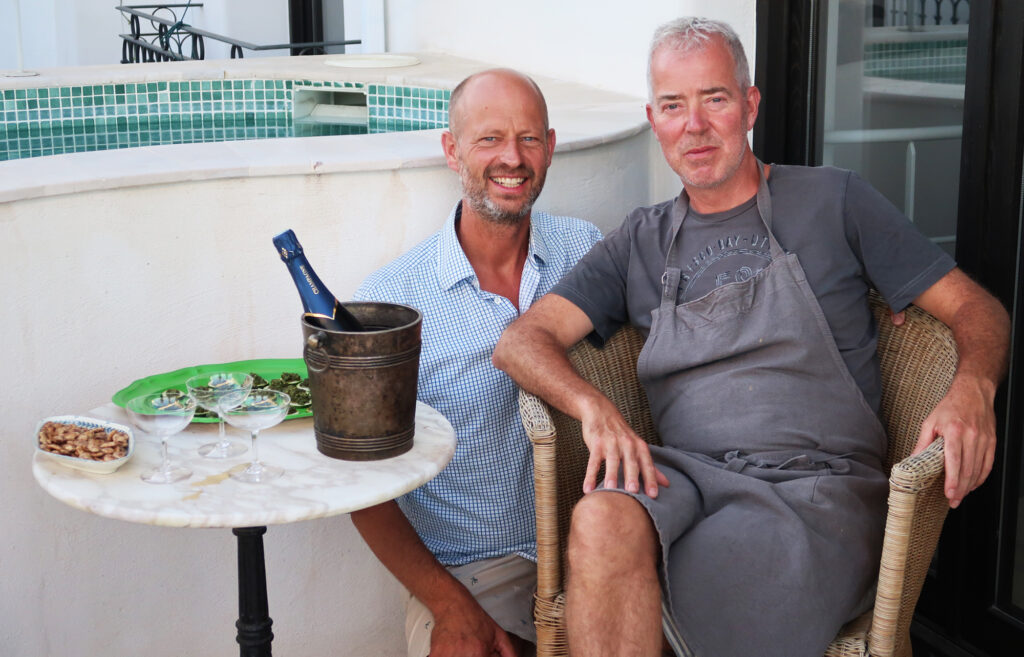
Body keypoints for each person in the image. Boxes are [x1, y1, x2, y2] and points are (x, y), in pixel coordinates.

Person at [492, 17, 1010, 657]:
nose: (694, 125)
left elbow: (976, 308)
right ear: (654, 121)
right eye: (673, 106)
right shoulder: (639, 240)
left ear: (750, 105)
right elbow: (521, 341)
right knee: (600, 517)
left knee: (675, 591)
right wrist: (592, 406)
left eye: (714, 98)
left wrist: (973, 387)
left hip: (813, 493)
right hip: (685, 480)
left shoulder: (834, 200)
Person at [350, 68, 602, 657]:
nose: (512, 158)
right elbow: (363, 485)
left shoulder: (586, 250)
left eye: (529, 138)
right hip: (473, 577)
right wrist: (449, 605)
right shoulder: (394, 302)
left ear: (550, 147)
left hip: (593, 553)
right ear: (452, 150)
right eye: (490, 138)